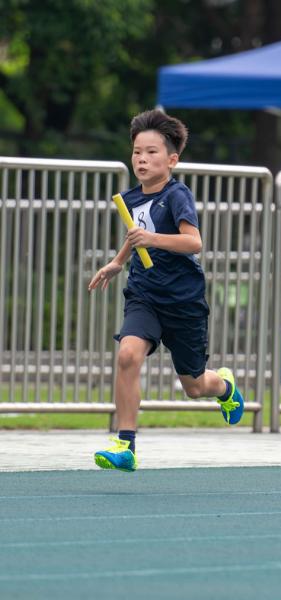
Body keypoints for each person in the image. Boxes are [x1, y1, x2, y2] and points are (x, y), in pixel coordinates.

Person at [88, 109, 245, 472]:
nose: (142, 159)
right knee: (128, 355)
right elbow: (136, 233)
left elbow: (194, 243)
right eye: (137, 152)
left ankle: (224, 388)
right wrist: (117, 262)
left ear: (172, 159)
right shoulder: (130, 198)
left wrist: (152, 239)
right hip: (144, 293)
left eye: (152, 152)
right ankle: (124, 445)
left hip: (183, 301)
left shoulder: (178, 196)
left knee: (194, 386)